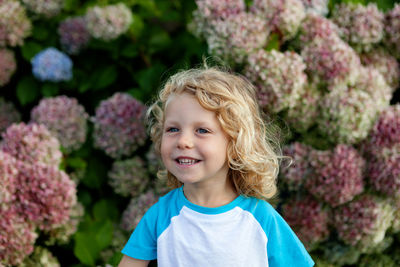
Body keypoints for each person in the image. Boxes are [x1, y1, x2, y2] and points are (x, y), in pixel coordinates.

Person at [118, 66, 314, 267]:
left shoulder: (260, 218)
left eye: (202, 130)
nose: (183, 141)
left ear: (234, 143)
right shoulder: (161, 216)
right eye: (173, 129)